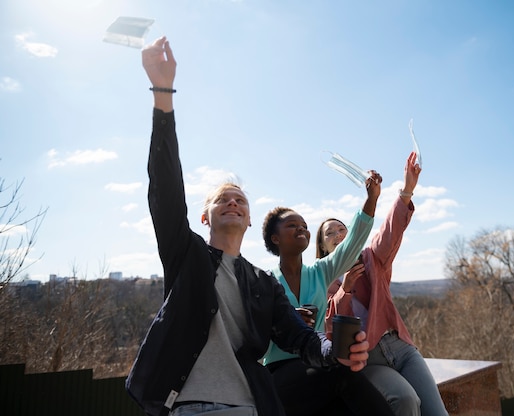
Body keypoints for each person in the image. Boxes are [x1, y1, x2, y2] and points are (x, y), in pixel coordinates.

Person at [125, 36, 371, 416]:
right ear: (205, 216)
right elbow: (165, 188)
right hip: (187, 407)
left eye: (240, 198)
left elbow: (299, 336)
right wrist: (163, 94)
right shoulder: (185, 257)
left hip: (249, 407)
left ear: (250, 218)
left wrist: (335, 350)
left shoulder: (261, 284)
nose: (233, 201)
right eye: (223, 198)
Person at [318, 151, 449, 416]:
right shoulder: (320, 280)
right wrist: (345, 289)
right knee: (405, 400)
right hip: (368, 357)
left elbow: (389, 233)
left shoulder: (370, 259)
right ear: (321, 247)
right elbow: (330, 330)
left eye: (342, 229)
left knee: (437, 412)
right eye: (329, 233)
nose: (337, 234)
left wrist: (407, 191)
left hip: (400, 346)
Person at [261, 172, 394, 416]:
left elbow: (352, 242)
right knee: (342, 375)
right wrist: (286, 324)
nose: (301, 228)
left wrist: (371, 199)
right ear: (275, 238)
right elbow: (254, 333)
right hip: (281, 372)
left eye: (304, 226)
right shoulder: (264, 281)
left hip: (319, 366)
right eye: (292, 225)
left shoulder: (320, 272)